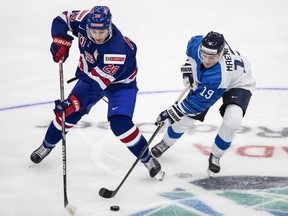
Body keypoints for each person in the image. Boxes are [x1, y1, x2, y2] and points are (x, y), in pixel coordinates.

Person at [30, 6, 165, 180]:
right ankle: (46, 146)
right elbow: (62, 18)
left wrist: (73, 103)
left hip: (121, 85)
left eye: (102, 31)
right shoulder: (83, 19)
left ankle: (147, 159)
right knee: (67, 116)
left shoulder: (116, 51)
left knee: (120, 124)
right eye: (94, 31)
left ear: (109, 27)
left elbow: (95, 85)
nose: (98, 36)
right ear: (88, 26)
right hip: (90, 75)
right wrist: (60, 40)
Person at [151, 31, 256, 177]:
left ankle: (216, 155)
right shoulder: (196, 43)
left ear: (220, 54)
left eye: (212, 57)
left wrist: (171, 114)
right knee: (186, 119)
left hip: (238, 83)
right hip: (213, 81)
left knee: (233, 119)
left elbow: (196, 104)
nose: (206, 60)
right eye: (204, 55)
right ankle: (166, 143)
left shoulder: (219, 75)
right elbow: (190, 58)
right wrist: (188, 70)